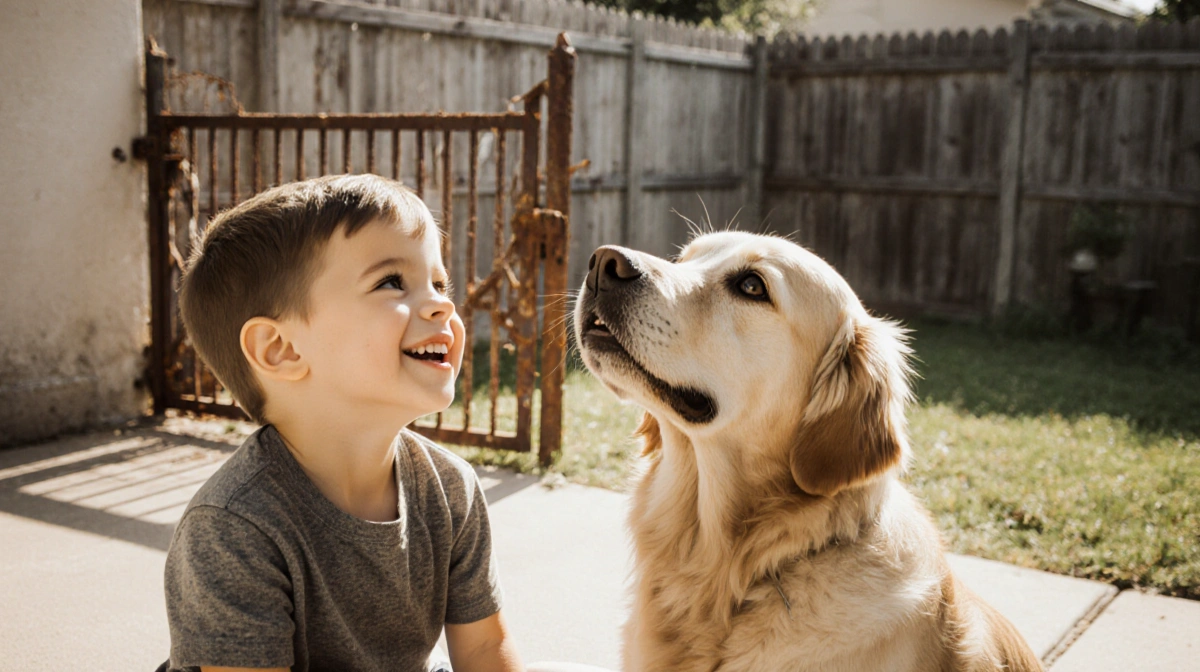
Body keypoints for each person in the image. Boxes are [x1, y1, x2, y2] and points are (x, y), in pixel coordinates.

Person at [163, 174, 521, 672]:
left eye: (438, 283)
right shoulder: (234, 527)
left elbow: (484, 650)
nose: (442, 303)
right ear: (281, 350)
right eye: (392, 282)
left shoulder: (449, 489)